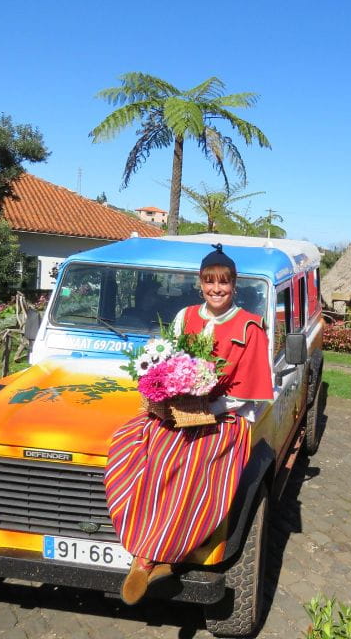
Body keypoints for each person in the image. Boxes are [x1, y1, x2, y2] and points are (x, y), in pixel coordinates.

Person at [103, 244, 274, 605]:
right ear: (200, 284)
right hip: (181, 413)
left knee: (186, 465)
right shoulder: (185, 317)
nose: (216, 289)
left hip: (224, 418)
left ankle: (150, 557)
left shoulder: (250, 327)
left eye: (224, 283)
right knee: (132, 446)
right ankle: (153, 550)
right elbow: (167, 363)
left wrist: (205, 406)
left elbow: (248, 396)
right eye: (210, 282)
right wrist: (166, 397)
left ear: (234, 285)